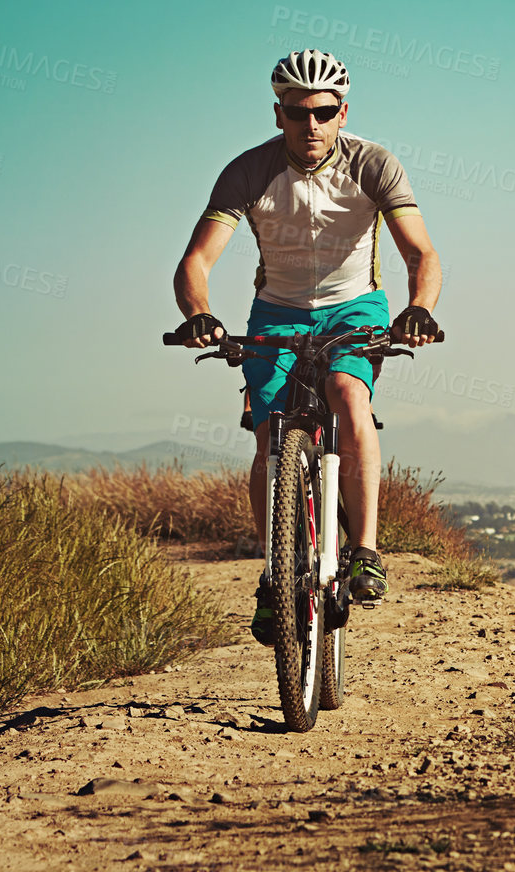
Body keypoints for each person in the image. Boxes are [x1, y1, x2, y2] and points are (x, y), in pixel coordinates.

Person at [171, 48, 442, 644]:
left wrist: (418, 308)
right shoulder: (248, 171)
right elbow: (196, 260)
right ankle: (274, 576)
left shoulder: (375, 165)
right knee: (270, 436)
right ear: (278, 114)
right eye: (298, 112)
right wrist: (200, 315)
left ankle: (366, 549)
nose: (311, 125)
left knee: (348, 394)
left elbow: (420, 254)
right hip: (277, 310)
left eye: (323, 111)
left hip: (356, 306)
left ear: (343, 112)